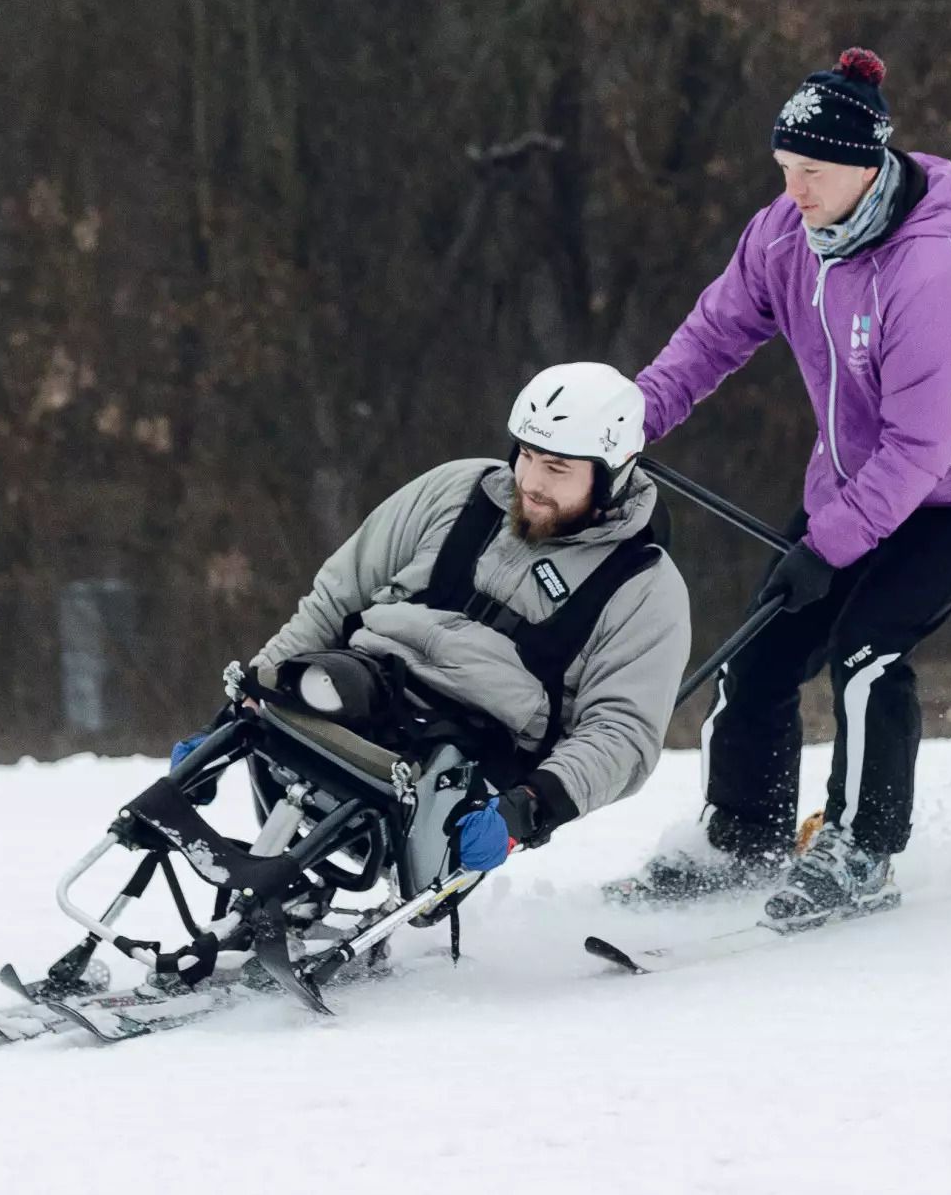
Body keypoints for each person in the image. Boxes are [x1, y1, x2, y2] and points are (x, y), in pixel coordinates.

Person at [608, 47, 951, 931]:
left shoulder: (933, 279)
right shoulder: (782, 237)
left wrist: (828, 545)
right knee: (760, 658)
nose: (794, 190)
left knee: (866, 650)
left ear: (866, 166)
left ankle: (861, 849)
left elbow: (919, 452)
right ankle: (742, 837)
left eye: (813, 172)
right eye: (784, 168)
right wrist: (628, 422)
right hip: (852, 485)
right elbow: (712, 337)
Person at [250, 362, 692, 870]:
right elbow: (338, 592)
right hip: (370, 680)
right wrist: (256, 685)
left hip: (478, 742)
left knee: (435, 773)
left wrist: (529, 806)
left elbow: (621, 733)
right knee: (306, 688)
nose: (530, 482)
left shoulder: (645, 588)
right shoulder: (459, 491)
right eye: (526, 454)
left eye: (557, 468)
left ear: (614, 473)